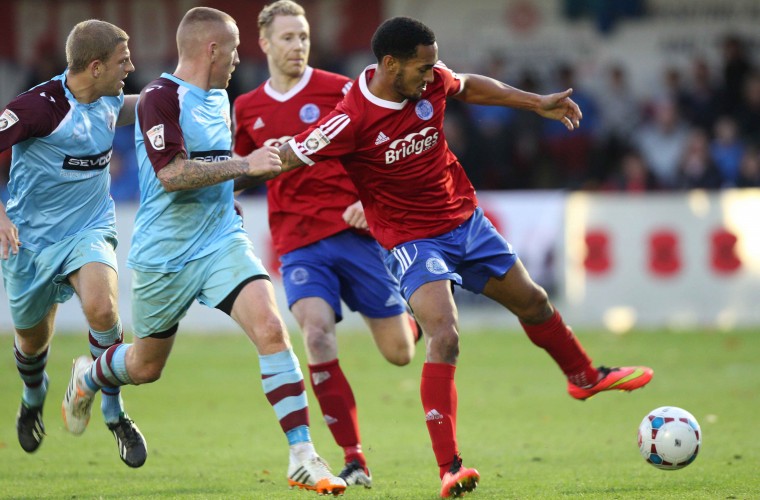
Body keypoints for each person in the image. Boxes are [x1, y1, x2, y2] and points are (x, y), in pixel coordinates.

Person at [241, 16, 655, 498]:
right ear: (390, 65)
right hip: (410, 240)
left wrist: (535, 102)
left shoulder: (430, 80)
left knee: (534, 302)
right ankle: (449, 467)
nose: (431, 74)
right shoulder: (350, 118)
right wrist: (217, 178)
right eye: (422, 67)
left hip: (465, 221)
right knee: (446, 333)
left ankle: (584, 376)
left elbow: (471, 86)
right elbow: (290, 155)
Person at [61, 7, 346, 495]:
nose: (240, 59)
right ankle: (89, 375)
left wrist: (264, 164)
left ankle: (302, 454)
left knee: (273, 329)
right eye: (234, 49)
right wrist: (243, 164)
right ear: (212, 49)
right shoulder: (160, 98)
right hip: (164, 255)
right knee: (147, 367)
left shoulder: (221, 98)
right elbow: (172, 175)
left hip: (220, 241)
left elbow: (223, 168)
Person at [233, 1, 419, 488]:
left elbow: (386, 153)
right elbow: (240, 168)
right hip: (298, 242)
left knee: (399, 353)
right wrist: (223, 197)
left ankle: (411, 325)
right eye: (288, 37)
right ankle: (354, 457)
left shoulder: (340, 90)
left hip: (356, 236)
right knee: (314, 333)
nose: (297, 46)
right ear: (266, 43)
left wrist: (371, 200)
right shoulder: (246, 107)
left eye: (304, 37)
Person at [0, 19, 147, 467]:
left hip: (89, 229)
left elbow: (129, 107)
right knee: (30, 340)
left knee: (103, 310)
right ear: (96, 66)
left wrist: (174, 101)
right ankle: (34, 396)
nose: (131, 67)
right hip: (30, 240)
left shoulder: (107, 97)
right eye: (123, 61)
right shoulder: (36, 108)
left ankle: (114, 413)